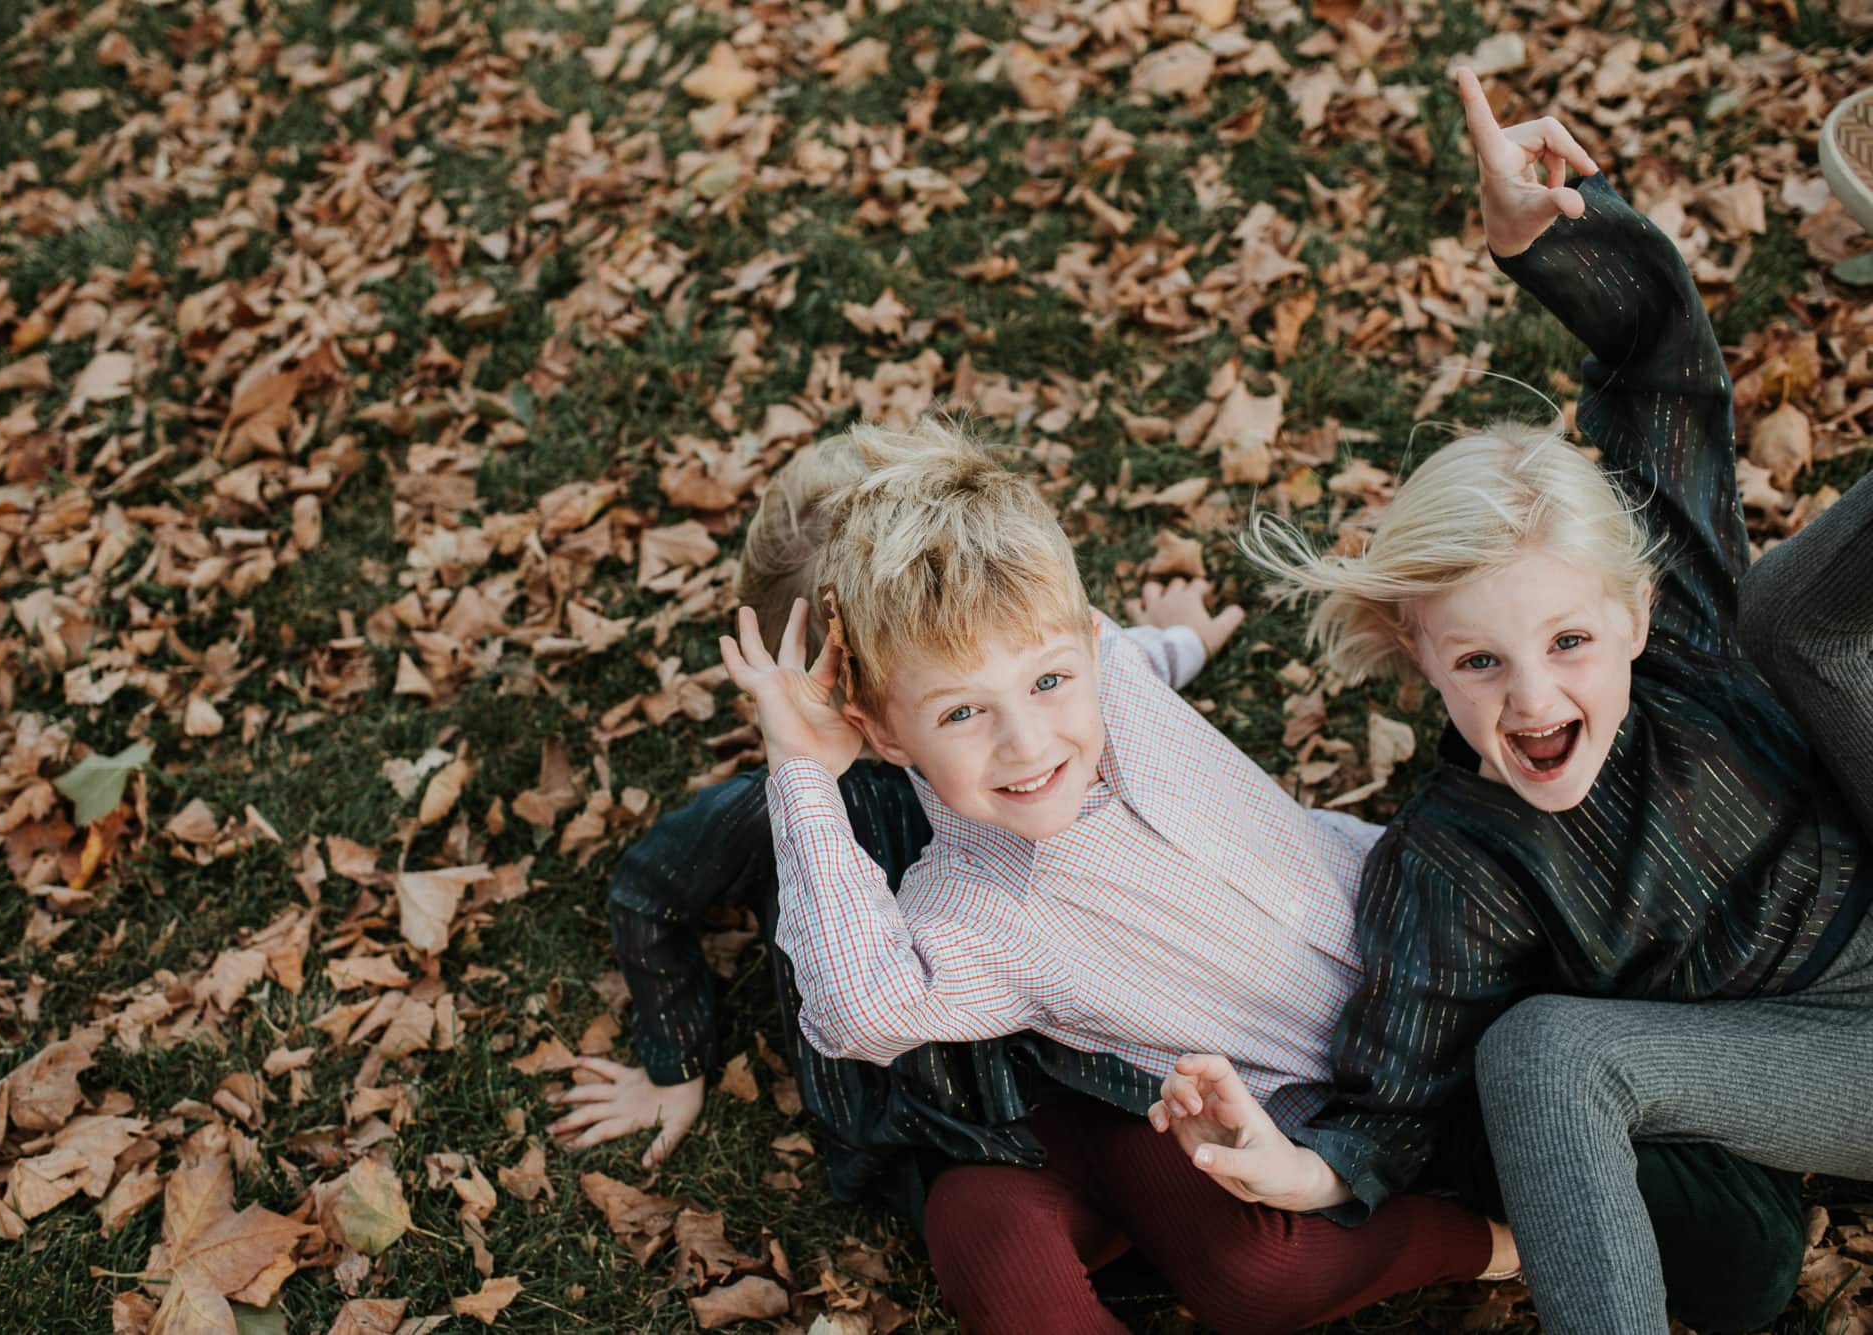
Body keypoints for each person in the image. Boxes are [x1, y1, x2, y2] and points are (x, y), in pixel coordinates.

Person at [1152, 71, 1863, 1334]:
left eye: (1570, 641)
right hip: (1829, 1047)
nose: (1534, 697)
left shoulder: (1684, 634)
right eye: (1477, 662)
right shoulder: (1457, 859)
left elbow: (1663, 378)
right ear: (1417, 656)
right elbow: (1395, 1094)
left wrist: (1551, 231)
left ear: (1633, 619)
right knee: (1535, 1050)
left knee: (1796, 611)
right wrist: (1304, 1170)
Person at [718, 419, 1513, 1334]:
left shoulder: (1118, 686)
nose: (1028, 742)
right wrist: (803, 774)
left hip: (1424, 919)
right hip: (1349, 1111)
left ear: (1084, 646)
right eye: (964, 711)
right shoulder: (979, 909)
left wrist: (1179, 641)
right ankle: (1495, 1233)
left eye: (1049, 683)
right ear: (887, 737)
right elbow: (857, 1009)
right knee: (1276, 1267)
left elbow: (1117, 652)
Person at [553, 432, 1240, 1255]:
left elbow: (1094, 663)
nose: (1013, 733)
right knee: (990, 1202)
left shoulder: (1025, 708)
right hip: (919, 1096)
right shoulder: (780, 808)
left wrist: (1181, 642)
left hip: (1090, 1034)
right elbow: (648, 886)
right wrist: (677, 1063)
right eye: (952, 703)